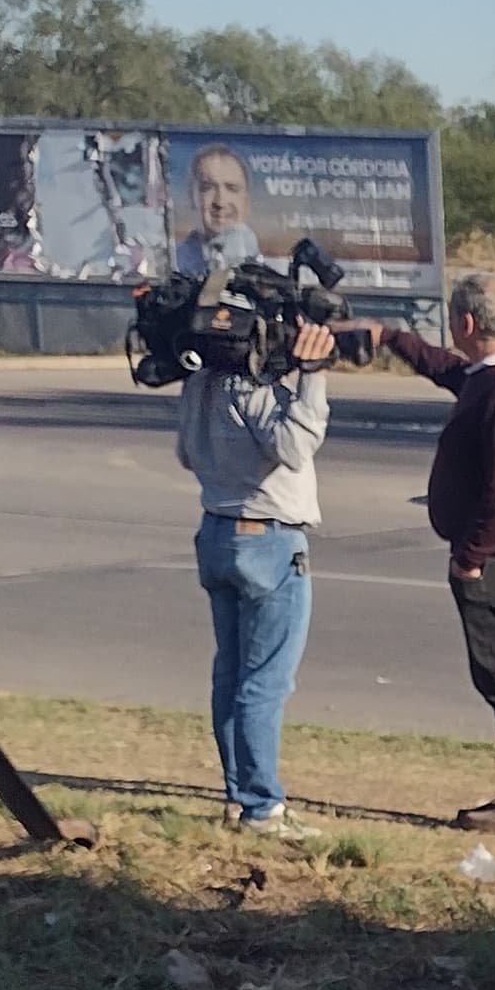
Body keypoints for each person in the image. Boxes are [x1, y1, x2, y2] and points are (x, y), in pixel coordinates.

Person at [369, 269, 495, 833]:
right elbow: (452, 371)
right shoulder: (490, 376)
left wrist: (470, 556)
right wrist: (390, 338)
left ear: (467, 322)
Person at [176, 313, 332, 831]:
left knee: (232, 673)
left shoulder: (200, 382)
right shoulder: (250, 389)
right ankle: (263, 808)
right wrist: (313, 375)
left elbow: (186, 454)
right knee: (264, 682)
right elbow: (294, 448)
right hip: (267, 540)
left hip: (217, 532)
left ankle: (239, 797)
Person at [179, 143, 261, 272]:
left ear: (246, 202)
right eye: (207, 188)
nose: (220, 202)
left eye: (232, 188)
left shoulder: (274, 278)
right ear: (192, 197)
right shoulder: (173, 265)